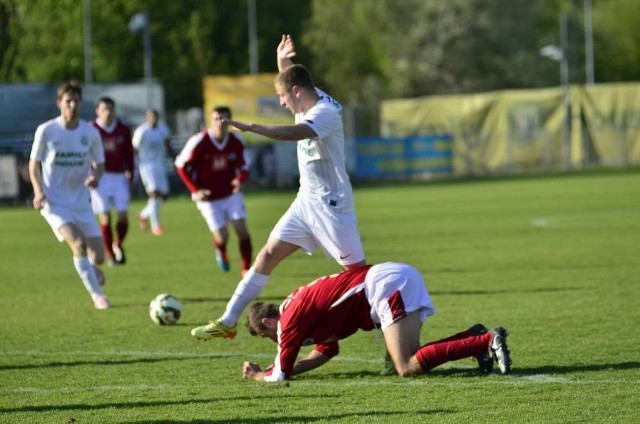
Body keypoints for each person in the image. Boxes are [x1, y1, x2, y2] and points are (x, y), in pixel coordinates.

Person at [191, 34, 366, 340]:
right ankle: (228, 321)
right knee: (268, 254)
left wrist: (253, 127)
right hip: (305, 200)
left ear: (297, 92)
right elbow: (291, 78)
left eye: (283, 97)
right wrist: (282, 60)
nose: (282, 103)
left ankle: (390, 329)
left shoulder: (325, 113)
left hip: (331, 205)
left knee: (358, 278)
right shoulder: (308, 96)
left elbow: (293, 133)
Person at [242, 262, 512, 382]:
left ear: (267, 322)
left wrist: (258, 375)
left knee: (405, 367)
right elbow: (327, 350)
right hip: (391, 278)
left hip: (384, 286)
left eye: (267, 335)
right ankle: (473, 338)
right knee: (414, 359)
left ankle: (487, 340)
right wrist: (277, 367)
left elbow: (280, 376)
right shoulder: (300, 315)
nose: (273, 340)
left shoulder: (289, 319)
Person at [28, 81, 110, 310]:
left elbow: (100, 164)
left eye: (76, 101)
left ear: (81, 103)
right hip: (54, 203)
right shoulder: (47, 130)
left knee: (99, 257)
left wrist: (96, 177)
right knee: (78, 243)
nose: (72, 105)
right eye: (68, 101)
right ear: (59, 103)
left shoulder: (90, 132)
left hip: (81, 202)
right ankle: (98, 296)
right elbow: (34, 165)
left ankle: (91, 270)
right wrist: (38, 191)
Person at [175, 106, 253, 276]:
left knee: (242, 230)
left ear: (230, 121)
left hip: (231, 194)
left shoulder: (236, 141)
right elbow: (180, 165)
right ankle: (221, 251)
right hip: (208, 198)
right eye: (216, 118)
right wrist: (195, 190)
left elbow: (245, 166)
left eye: (224, 119)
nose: (220, 122)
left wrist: (240, 180)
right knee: (222, 236)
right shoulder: (199, 141)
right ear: (210, 120)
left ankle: (246, 268)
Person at [89, 96, 134, 266]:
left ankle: (118, 244)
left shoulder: (123, 129)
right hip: (100, 177)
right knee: (105, 217)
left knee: (123, 216)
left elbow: (129, 153)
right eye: (104, 109)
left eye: (110, 108)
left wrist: (130, 171)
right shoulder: (92, 129)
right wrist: (89, 174)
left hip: (119, 176)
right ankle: (111, 256)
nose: (107, 112)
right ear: (97, 111)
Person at [132, 108, 174, 235]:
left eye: (155, 116)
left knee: (164, 196)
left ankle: (143, 214)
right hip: (147, 166)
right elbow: (133, 147)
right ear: (147, 118)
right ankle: (156, 226)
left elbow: (168, 144)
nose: (153, 118)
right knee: (154, 194)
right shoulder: (142, 131)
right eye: (151, 116)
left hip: (160, 165)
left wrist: (174, 157)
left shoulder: (163, 129)